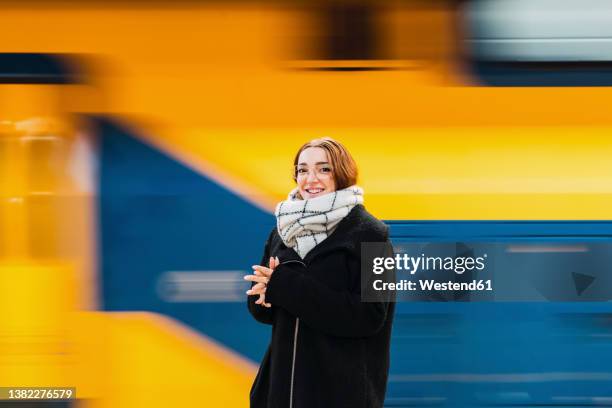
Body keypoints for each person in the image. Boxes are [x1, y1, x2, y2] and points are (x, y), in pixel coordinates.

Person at [245, 137, 395, 408]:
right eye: (302, 170)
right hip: (282, 393)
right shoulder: (282, 232)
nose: (310, 178)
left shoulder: (373, 236)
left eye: (323, 169)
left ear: (342, 174)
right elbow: (270, 310)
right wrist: (262, 299)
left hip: (338, 395)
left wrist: (285, 286)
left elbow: (370, 316)